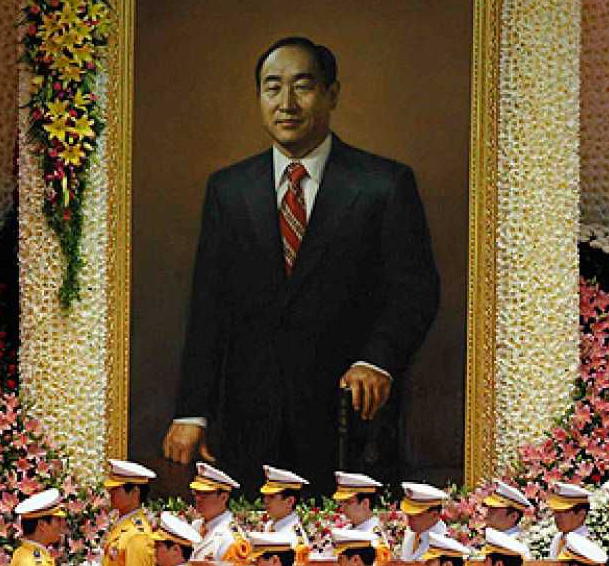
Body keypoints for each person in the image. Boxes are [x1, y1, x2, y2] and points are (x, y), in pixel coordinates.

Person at [163, 35, 441, 495]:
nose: (286, 103)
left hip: (348, 426)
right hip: (248, 427)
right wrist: (193, 411)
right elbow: (209, 308)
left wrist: (378, 360)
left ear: (332, 94)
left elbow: (415, 290)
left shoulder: (384, 185)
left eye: (303, 86)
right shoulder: (229, 190)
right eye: (272, 88)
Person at [188, 462, 252, 564]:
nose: (198, 498)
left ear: (223, 497)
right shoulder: (196, 526)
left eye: (205, 494)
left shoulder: (230, 539)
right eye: (196, 492)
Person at [331, 470, 392, 562]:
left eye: (347, 502)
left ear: (365, 504)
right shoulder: (346, 530)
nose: (342, 508)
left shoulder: (374, 537)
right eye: (341, 502)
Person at [261, 464, 314, 565]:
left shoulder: (295, 539)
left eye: (271, 497)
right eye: (265, 496)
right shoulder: (270, 525)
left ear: (290, 501)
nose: (265, 501)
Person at [396, 481, 449, 562]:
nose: (409, 521)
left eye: (415, 516)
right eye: (408, 515)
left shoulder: (443, 543)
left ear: (434, 515)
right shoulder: (413, 532)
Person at [543, 482, 593, 560]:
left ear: (581, 514)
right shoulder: (558, 538)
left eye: (563, 511)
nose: (556, 516)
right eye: (555, 511)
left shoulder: (585, 545)